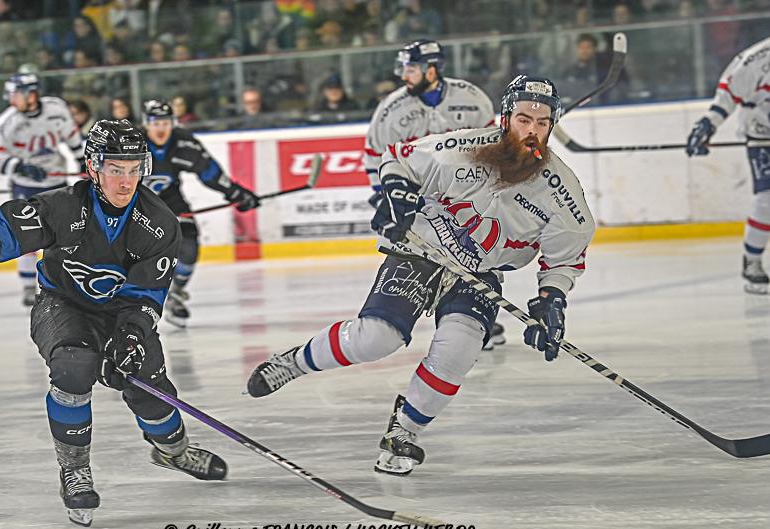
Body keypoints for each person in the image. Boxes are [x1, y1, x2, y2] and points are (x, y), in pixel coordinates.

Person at [0, 119, 228, 527]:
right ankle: (74, 470)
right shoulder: (64, 207)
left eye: (135, 169)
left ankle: (174, 452)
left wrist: (131, 337)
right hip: (63, 306)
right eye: (116, 169)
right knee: (74, 365)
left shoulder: (160, 223)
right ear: (93, 167)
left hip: (122, 315)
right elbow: (4, 231)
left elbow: (147, 296)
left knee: (150, 390)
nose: (126, 181)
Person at [247, 75, 594, 477]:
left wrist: (552, 300)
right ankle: (295, 362)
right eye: (523, 119)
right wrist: (397, 196)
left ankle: (405, 430)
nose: (531, 131)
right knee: (376, 338)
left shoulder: (562, 192)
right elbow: (398, 158)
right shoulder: (463, 147)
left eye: (542, 123)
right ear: (505, 118)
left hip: (478, 274)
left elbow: (565, 257)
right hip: (420, 251)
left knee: (458, 352)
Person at [364, 39, 506, 349]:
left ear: (431, 70)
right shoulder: (391, 110)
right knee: (424, 260)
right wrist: (386, 195)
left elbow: (492, 145)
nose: (404, 75)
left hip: (463, 194)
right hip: (416, 198)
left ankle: (473, 319)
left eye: (411, 68)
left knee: (473, 254)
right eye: (403, 68)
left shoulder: (471, 98)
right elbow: (375, 157)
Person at [139, 99, 260, 327]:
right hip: (130, 202)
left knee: (189, 243)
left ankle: (175, 293)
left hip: (169, 200)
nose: (161, 129)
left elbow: (210, 173)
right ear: (146, 124)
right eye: (156, 123)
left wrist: (236, 194)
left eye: (166, 123)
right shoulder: (129, 142)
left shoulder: (183, 142)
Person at [0, 72, 85, 306]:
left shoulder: (56, 109)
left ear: (31, 95)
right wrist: (20, 166)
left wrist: (83, 163)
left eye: (15, 95)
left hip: (56, 184)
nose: (11, 100)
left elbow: (73, 138)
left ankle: (63, 283)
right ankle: (28, 286)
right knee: (27, 237)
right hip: (25, 186)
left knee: (64, 236)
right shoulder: (7, 122)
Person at [686, 37, 770, 294]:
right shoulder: (758, 59)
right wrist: (708, 125)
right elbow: (729, 93)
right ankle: (752, 261)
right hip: (763, 133)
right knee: (767, 198)